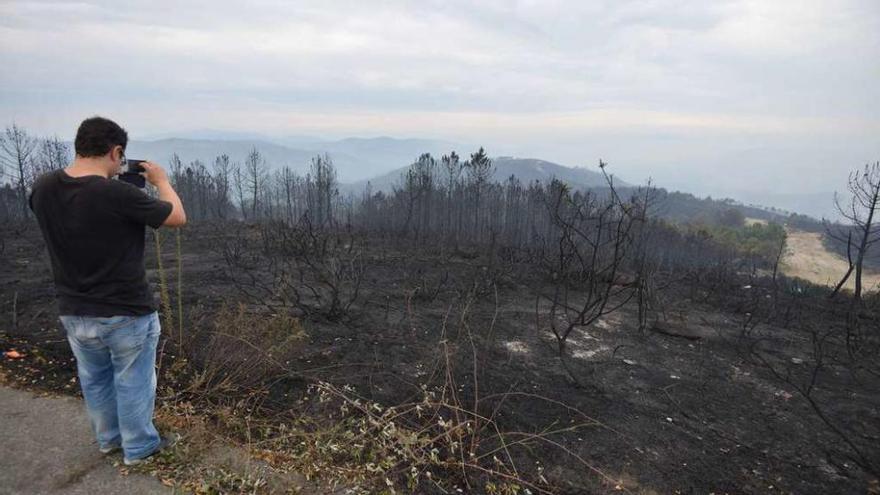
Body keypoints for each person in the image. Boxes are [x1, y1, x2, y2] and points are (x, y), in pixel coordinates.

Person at [28, 116, 186, 466]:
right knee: (133, 380)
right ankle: (140, 447)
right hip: (125, 308)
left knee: (95, 379)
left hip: (73, 308)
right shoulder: (117, 193)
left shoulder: (43, 188)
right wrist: (161, 181)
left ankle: (109, 440)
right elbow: (176, 217)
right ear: (116, 152)